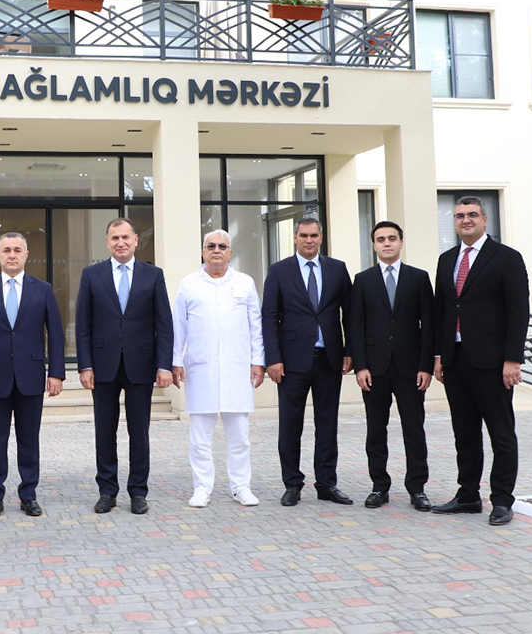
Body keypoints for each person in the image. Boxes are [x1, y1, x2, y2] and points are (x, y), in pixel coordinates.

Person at [431, 196, 530, 526]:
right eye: (460, 215)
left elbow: (518, 311)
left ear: (485, 219)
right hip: (456, 361)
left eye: (472, 214)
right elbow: (442, 310)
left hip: (493, 363)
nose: (466, 220)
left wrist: (513, 359)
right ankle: (468, 495)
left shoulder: (507, 258)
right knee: (465, 433)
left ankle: (501, 500)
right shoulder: (447, 260)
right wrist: (439, 355)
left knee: (501, 434)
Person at [75, 217, 174, 515]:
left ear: (135, 240)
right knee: (104, 433)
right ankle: (107, 491)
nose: (120, 243)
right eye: (115, 238)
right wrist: (85, 365)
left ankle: (138, 492)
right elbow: (83, 325)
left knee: (139, 433)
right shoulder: (91, 275)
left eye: (125, 237)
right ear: (107, 242)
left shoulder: (153, 275)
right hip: (102, 366)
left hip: (140, 365)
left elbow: (164, 324)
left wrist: (164, 365)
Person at [0, 232, 65, 519]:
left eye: (17, 250)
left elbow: (55, 334)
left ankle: (28, 495)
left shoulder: (42, 289)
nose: (12, 255)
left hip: (30, 376)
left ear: (26, 255)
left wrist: (56, 373)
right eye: (6, 250)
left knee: (29, 440)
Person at [262, 217, 354, 508]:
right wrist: (273, 358)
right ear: (295, 238)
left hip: (329, 359)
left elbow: (350, 313)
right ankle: (292, 484)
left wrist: (349, 350)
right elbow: (269, 316)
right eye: (303, 235)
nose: (309, 240)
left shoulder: (337, 269)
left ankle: (326, 484)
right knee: (290, 426)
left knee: (327, 424)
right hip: (291, 363)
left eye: (314, 235)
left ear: (321, 237)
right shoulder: (279, 271)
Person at [172, 230, 264, 509]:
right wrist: (176, 361)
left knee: (240, 437)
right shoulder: (189, 284)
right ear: (202, 251)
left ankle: (241, 486)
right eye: (210, 245)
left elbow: (256, 326)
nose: (216, 250)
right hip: (201, 369)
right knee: (200, 437)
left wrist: (258, 361)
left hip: (238, 369)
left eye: (222, 246)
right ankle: (202, 487)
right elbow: (178, 327)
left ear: (229, 253)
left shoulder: (244, 283)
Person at [347, 222, 434, 512]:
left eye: (392, 238)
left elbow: (429, 324)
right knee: (375, 430)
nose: (387, 243)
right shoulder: (363, 280)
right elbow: (355, 326)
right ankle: (379, 486)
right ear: (373, 245)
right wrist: (360, 366)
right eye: (381, 239)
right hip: (374, 369)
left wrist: (426, 365)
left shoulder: (419, 278)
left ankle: (417, 488)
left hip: (411, 368)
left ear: (401, 242)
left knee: (414, 429)